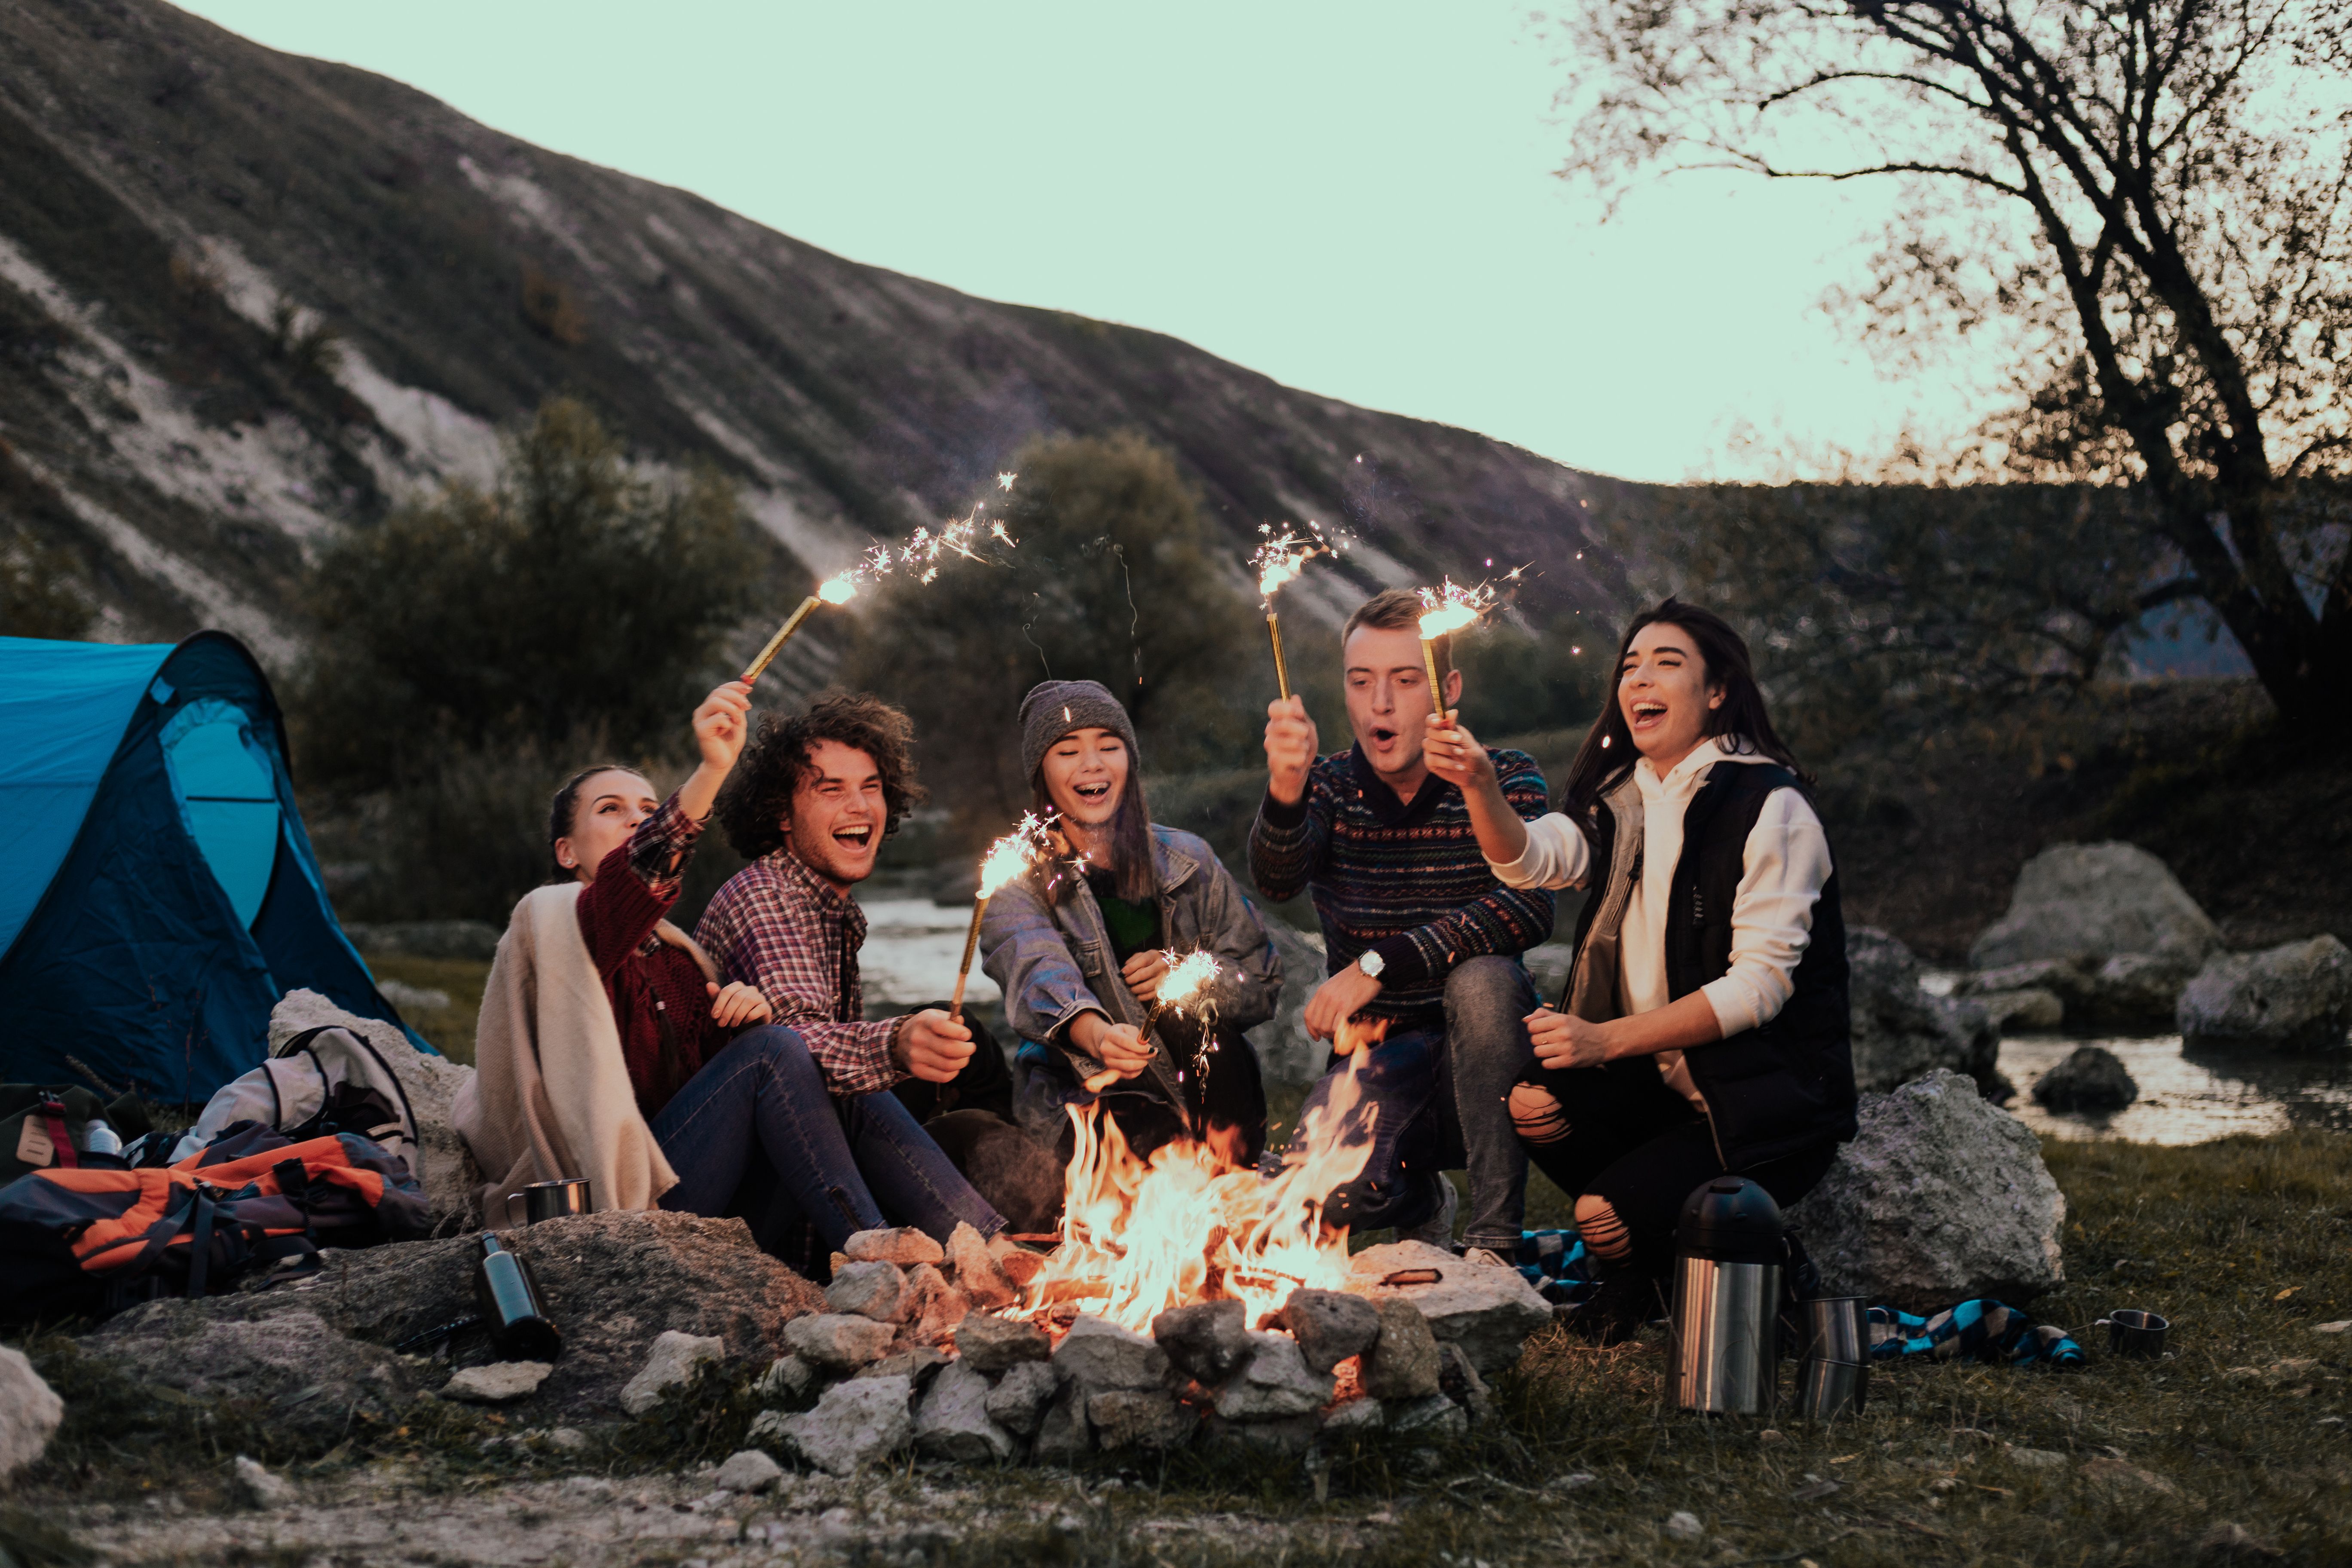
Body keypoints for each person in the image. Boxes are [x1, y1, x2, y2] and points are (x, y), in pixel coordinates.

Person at [457, 680, 1006, 1268]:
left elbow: (710, 1095)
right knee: (789, 1051)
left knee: (815, 1058)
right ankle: (869, 1247)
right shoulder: (564, 926)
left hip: (710, 1184)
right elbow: (635, 878)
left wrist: (742, 1023)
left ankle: (990, 1245)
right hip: (623, 1206)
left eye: (648, 810)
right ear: (567, 852)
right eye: (612, 810)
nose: (639, 823)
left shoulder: (677, 960)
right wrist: (711, 772)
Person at [1423, 598, 1854, 1316]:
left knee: (1599, 1216)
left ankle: (1733, 1257)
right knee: (1532, 1101)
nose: (1639, 680)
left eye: (1666, 663)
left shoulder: (1769, 807)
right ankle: (1651, 1262)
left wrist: (1604, 1040)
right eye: (1629, 666)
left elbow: (1759, 989)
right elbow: (1528, 858)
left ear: (1717, 691)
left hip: (1761, 1105)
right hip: (1659, 1088)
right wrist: (1478, 787)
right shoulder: (1627, 797)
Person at [1250, 589, 1553, 1255]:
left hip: (1488, 1061)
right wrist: (1285, 788)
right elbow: (1277, 879)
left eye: (1404, 681)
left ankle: (1495, 1244)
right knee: (1318, 1193)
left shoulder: (1504, 776)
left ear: (1447, 689)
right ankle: (1419, 1196)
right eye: (1362, 683)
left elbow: (1529, 906)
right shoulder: (1329, 787)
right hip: (1378, 1058)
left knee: (1484, 983)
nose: (1379, 704)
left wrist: (1376, 964)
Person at [696, 694, 1057, 1232]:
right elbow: (796, 1044)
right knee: (965, 1132)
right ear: (781, 814)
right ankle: (989, 1237)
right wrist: (895, 1044)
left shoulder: (827, 903)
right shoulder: (766, 896)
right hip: (764, 1190)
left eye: (871, 787)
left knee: (963, 1037)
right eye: (831, 790)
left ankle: (1041, 1202)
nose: (860, 807)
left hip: (808, 1141)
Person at [980, 680, 1282, 1165]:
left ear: (1130, 762)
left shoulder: (1190, 859)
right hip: (1086, 1108)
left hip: (1214, 1102)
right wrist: (1098, 1035)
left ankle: (1231, 1183)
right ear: (1042, 772)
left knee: (1198, 1018)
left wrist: (1189, 974)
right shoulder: (1016, 881)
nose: (1092, 764)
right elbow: (1036, 968)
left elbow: (1262, 982)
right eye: (1068, 750)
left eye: (1109, 746)